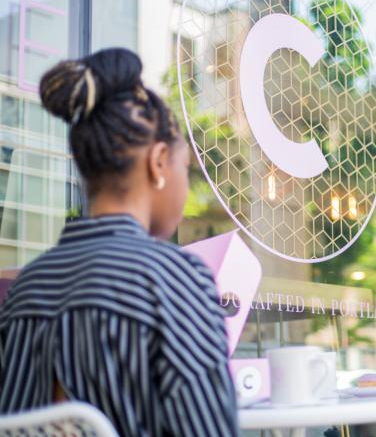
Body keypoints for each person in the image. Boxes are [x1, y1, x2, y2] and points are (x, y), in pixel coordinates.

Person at [0, 48, 238, 436]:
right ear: (158, 162)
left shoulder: (28, 287)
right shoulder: (175, 280)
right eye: (185, 167)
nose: (184, 181)